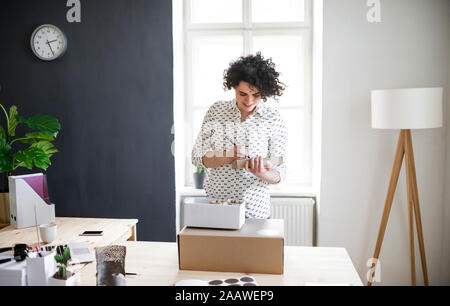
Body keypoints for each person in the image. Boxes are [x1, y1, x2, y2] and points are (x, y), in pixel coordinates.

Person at [192, 52, 287, 219]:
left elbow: (279, 172)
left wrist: (261, 172)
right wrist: (226, 156)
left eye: (256, 95)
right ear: (234, 87)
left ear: (264, 93)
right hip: (217, 208)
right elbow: (197, 157)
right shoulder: (216, 111)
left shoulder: (273, 118)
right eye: (243, 94)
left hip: (255, 211)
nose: (249, 100)